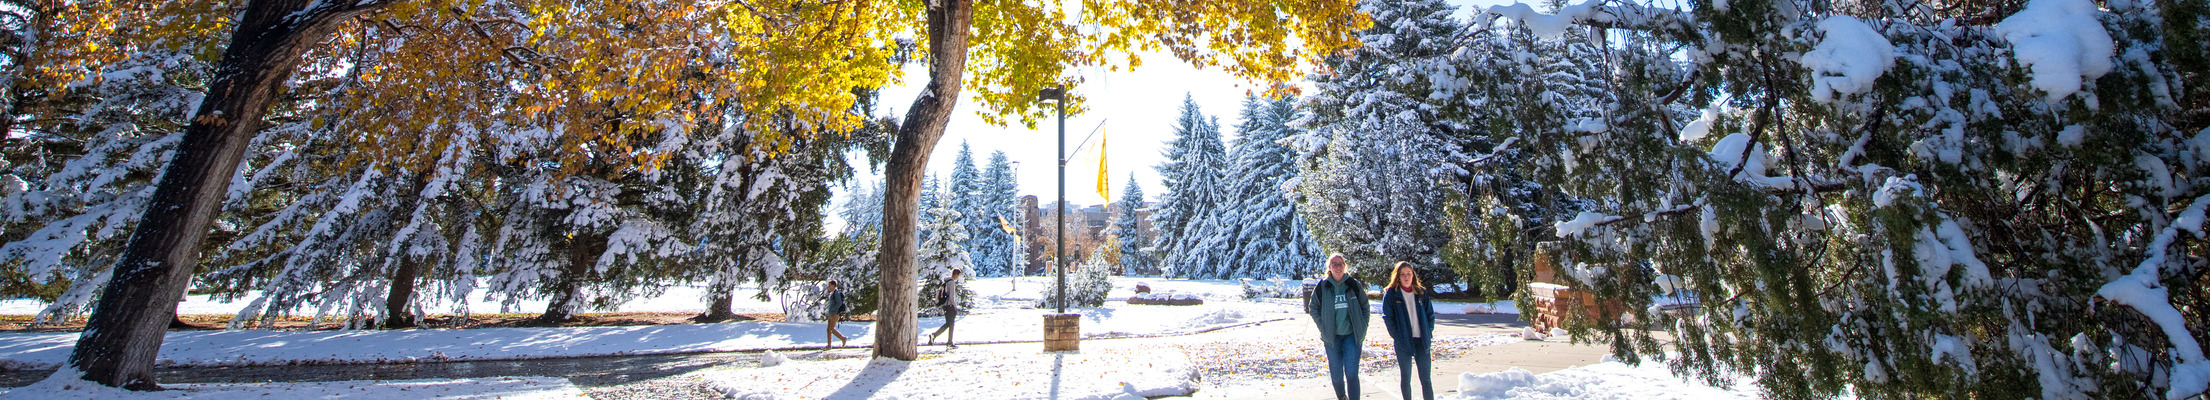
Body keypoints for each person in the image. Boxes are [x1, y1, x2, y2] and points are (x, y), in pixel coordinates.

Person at [1306, 254, 1370, 400]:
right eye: (1334, 264)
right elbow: (1313, 307)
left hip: (1351, 336)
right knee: (1336, 377)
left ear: (1344, 266)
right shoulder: (1323, 286)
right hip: (1332, 338)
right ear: (1329, 267)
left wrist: (1363, 325)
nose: (1338, 267)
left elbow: (1365, 307)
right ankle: (1342, 397)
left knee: (1352, 374)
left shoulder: (1353, 284)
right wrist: (1323, 326)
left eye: (1340, 264)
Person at [1381, 261, 1436, 400]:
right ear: (1398, 276)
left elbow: (1430, 315)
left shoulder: (1421, 292)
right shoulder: (1392, 294)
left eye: (1409, 274)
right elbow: (1388, 317)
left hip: (1422, 340)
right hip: (1403, 341)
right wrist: (1397, 336)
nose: (1406, 277)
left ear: (1413, 275)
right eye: (1403, 274)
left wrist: (1429, 332)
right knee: (1406, 378)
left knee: (1426, 379)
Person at [926, 268, 964, 348]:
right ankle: (946, 340)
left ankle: (938, 337)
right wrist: (954, 306)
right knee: (951, 324)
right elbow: (951, 296)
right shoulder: (952, 283)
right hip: (950, 306)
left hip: (945, 306)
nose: (958, 277)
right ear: (956, 274)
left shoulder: (946, 282)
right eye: (958, 275)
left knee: (948, 324)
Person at [823, 280, 849, 349]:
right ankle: (829, 346)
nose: (829, 287)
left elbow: (839, 303)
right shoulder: (833, 293)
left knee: (831, 329)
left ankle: (843, 338)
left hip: (835, 314)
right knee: (828, 329)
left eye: (830, 285)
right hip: (831, 314)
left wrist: (834, 310)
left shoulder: (836, 293)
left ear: (833, 286)